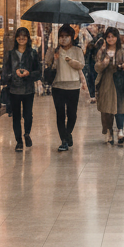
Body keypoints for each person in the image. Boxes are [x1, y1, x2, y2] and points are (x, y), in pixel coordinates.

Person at [45, 24, 86, 152]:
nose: (63, 39)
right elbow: (47, 64)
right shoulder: (54, 50)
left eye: (66, 36)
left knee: (72, 114)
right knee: (60, 114)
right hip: (58, 86)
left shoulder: (77, 50)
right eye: (61, 36)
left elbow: (81, 65)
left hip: (73, 86)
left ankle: (68, 134)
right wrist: (54, 58)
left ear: (72, 37)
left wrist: (70, 61)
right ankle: (63, 140)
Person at [1, 27, 41, 151]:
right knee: (16, 116)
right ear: (16, 38)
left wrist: (29, 74)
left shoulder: (33, 53)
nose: (21, 38)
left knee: (28, 115)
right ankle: (18, 141)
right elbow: (4, 72)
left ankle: (27, 134)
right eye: (19, 35)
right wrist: (14, 74)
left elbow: (39, 72)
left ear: (28, 38)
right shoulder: (10, 54)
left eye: (24, 36)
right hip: (14, 90)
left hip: (28, 89)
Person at [94, 28, 124, 145]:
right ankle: (109, 131)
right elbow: (97, 67)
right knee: (107, 108)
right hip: (106, 81)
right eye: (108, 37)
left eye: (113, 36)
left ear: (117, 38)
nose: (110, 39)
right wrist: (104, 63)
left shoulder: (122, 50)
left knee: (120, 106)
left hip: (120, 80)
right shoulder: (102, 51)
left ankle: (120, 131)